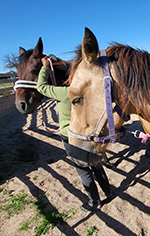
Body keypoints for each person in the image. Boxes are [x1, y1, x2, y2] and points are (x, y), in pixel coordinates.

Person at [37, 56, 114, 212]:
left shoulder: (66, 92)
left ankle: (94, 202)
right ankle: (109, 192)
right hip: (89, 134)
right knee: (97, 165)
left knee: (83, 170)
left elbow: (42, 87)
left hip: (71, 136)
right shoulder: (88, 92)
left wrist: (45, 67)